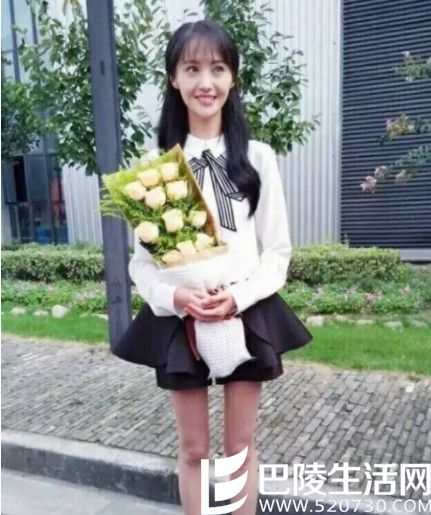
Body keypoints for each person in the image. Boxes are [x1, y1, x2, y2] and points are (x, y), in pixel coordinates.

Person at [113, 19, 313, 515]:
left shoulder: (258, 158)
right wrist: (176, 297)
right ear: (173, 78)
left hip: (244, 312)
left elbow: (277, 252)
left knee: (238, 448)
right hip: (180, 320)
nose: (206, 82)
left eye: (218, 69)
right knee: (194, 451)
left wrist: (237, 298)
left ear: (233, 78)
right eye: (192, 69)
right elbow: (142, 265)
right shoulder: (154, 167)